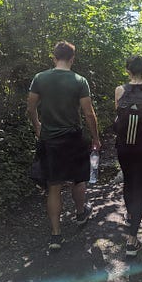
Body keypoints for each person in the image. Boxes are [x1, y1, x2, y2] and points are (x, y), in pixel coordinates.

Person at [27, 40, 101, 251]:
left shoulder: (40, 78)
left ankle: (56, 235)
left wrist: (38, 127)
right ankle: (80, 214)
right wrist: (95, 137)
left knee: (54, 186)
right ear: (72, 58)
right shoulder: (79, 80)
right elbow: (88, 112)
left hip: (50, 140)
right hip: (73, 137)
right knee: (78, 180)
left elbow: (30, 107)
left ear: (53, 57)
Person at [114, 55, 142, 257]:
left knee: (128, 182)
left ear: (128, 70)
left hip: (124, 146)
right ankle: (132, 239)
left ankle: (130, 213)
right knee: (140, 187)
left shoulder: (119, 90)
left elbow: (117, 113)